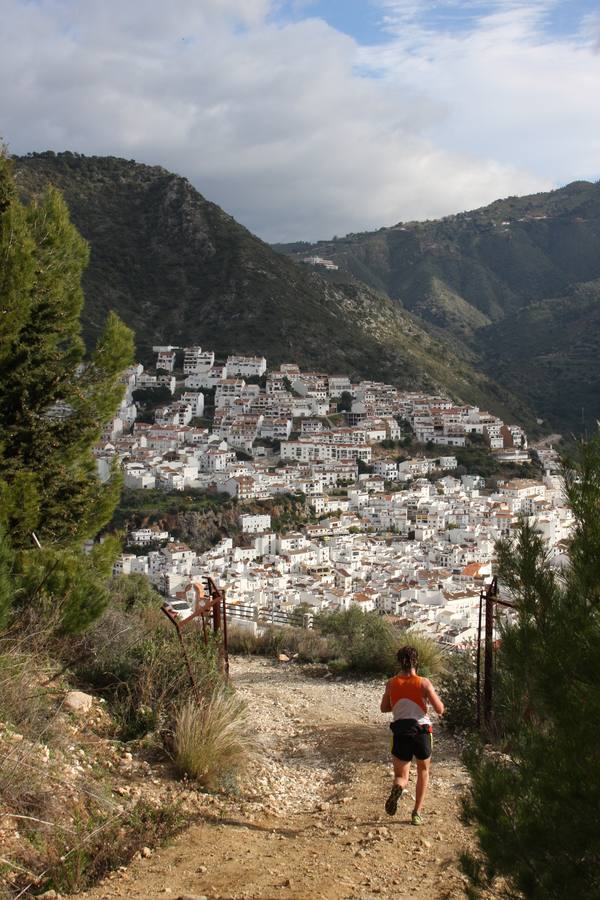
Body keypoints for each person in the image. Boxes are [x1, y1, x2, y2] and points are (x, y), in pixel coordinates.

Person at [380, 645, 444, 825]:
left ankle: (398, 788)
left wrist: (400, 703)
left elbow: (384, 708)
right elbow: (439, 709)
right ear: (417, 661)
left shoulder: (392, 683)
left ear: (399, 662)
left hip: (401, 731)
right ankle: (416, 813)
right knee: (423, 771)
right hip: (422, 731)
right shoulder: (424, 683)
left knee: (401, 776)